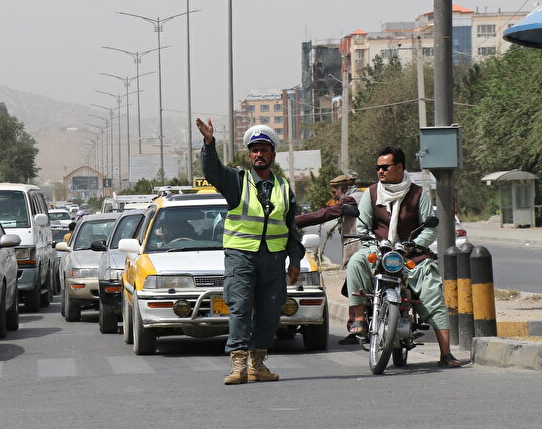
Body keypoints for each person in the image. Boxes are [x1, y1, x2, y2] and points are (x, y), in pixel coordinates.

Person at [196, 117, 304, 385]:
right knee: (240, 307)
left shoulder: (283, 186)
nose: (259, 154)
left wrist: (295, 259)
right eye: (254, 150)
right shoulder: (236, 180)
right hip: (241, 255)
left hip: (274, 257)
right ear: (249, 154)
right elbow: (212, 171)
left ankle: (258, 363)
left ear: (272, 155)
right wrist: (209, 143)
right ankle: (238, 363)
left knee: (270, 310)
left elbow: (291, 226)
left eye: (264, 150)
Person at [345, 146, 461, 368]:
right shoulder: (371, 193)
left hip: (411, 256)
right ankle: (359, 317)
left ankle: (446, 353)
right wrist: (373, 244)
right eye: (378, 167)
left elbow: (430, 228)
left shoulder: (418, 194)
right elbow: (363, 225)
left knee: (432, 290)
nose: (380, 171)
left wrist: (414, 245)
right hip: (379, 251)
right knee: (356, 261)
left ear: (399, 167)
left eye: (384, 167)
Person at [296, 173, 361, 342]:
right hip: (364, 251)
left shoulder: (351, 199)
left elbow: (325, 214)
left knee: (355, 290)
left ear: (344, 189)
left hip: (361, 252)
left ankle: (357, 329)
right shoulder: (361, 195)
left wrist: (294, 221)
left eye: (334, 192)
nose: (333, 196)